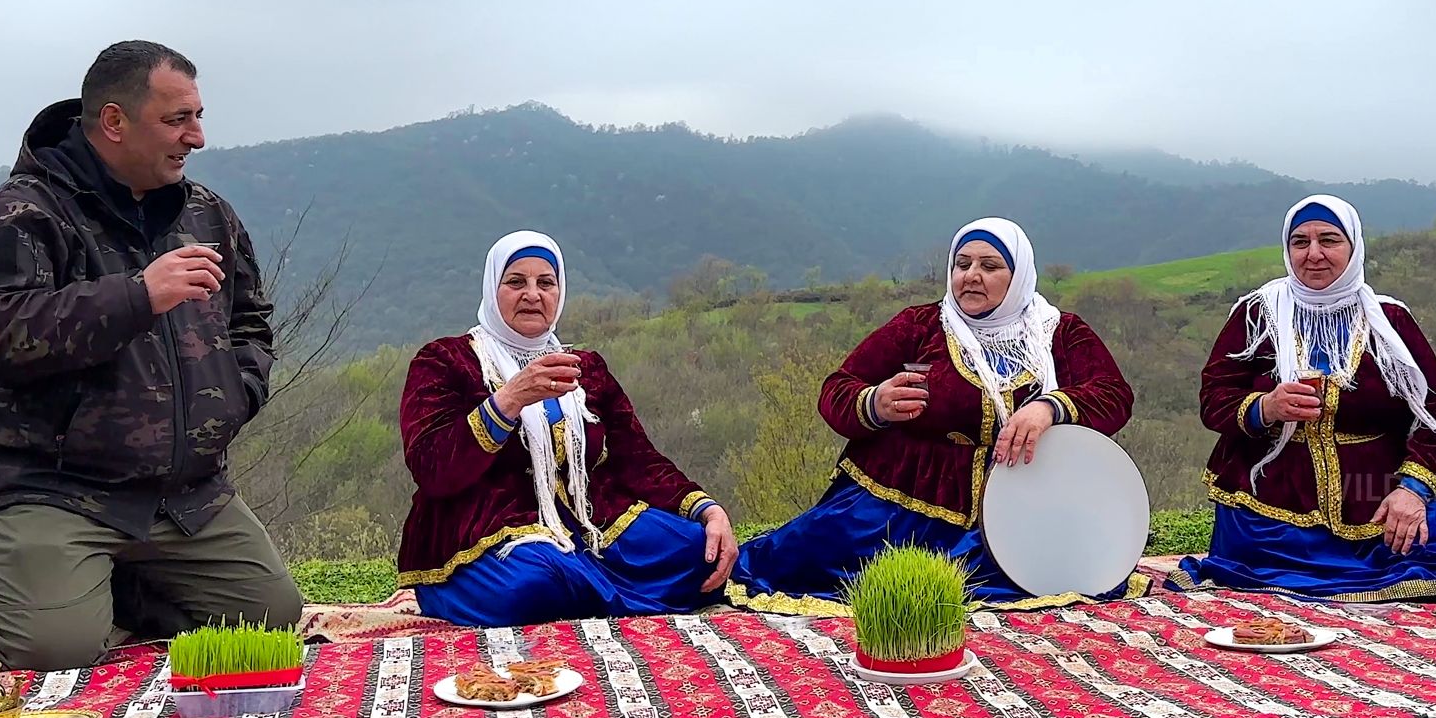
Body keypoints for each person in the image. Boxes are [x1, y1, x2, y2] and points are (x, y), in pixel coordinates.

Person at [0, 41, 302, 671]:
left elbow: (251, 320)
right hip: (54, 487)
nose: (197, 136)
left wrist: (237, 390)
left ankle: (127, 590)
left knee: (271, 622)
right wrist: (137, 296)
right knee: (53, 650)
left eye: (197, 115)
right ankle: (27, 588)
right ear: (114, 122)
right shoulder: (23, 213)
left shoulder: (206, 213)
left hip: (183, 492)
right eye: (177, 120)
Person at [730, 218, 1141, 614]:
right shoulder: (920, 326)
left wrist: (1050, 407)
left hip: (1023, 509)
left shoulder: (1059, 333)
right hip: (900, 503)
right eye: (962, 265)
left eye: (990, 266)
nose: (971, 276)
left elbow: (1113, 396)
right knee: (799, 564)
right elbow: (837, 390)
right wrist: (876, 402)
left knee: (1013, 579)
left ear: (1018, 276)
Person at [397, 230, 739, 626]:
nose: (532, 295)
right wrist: (507, 401)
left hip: (590, 521)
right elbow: (432, 468)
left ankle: (589, 589)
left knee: (702, 552)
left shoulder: (585, 368)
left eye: (545, 283)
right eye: (515, 282)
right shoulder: (445, 361)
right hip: (487, 528)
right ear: (492, 289)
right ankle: (456, 592)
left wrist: (708, 509)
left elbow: (638, 458)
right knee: (538, 583)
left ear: (560, 292)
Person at [1171, 195, 1436, 605]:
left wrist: (1412, 490)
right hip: (1271, 503)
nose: (1314, 254)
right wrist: (1265, 407)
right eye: (1300, 242)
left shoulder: (1389, 322)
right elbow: (1214, 399)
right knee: (1258, 575)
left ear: (1353, 247)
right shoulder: (1257, 315)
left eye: (1329, 240)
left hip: (1376, 492)